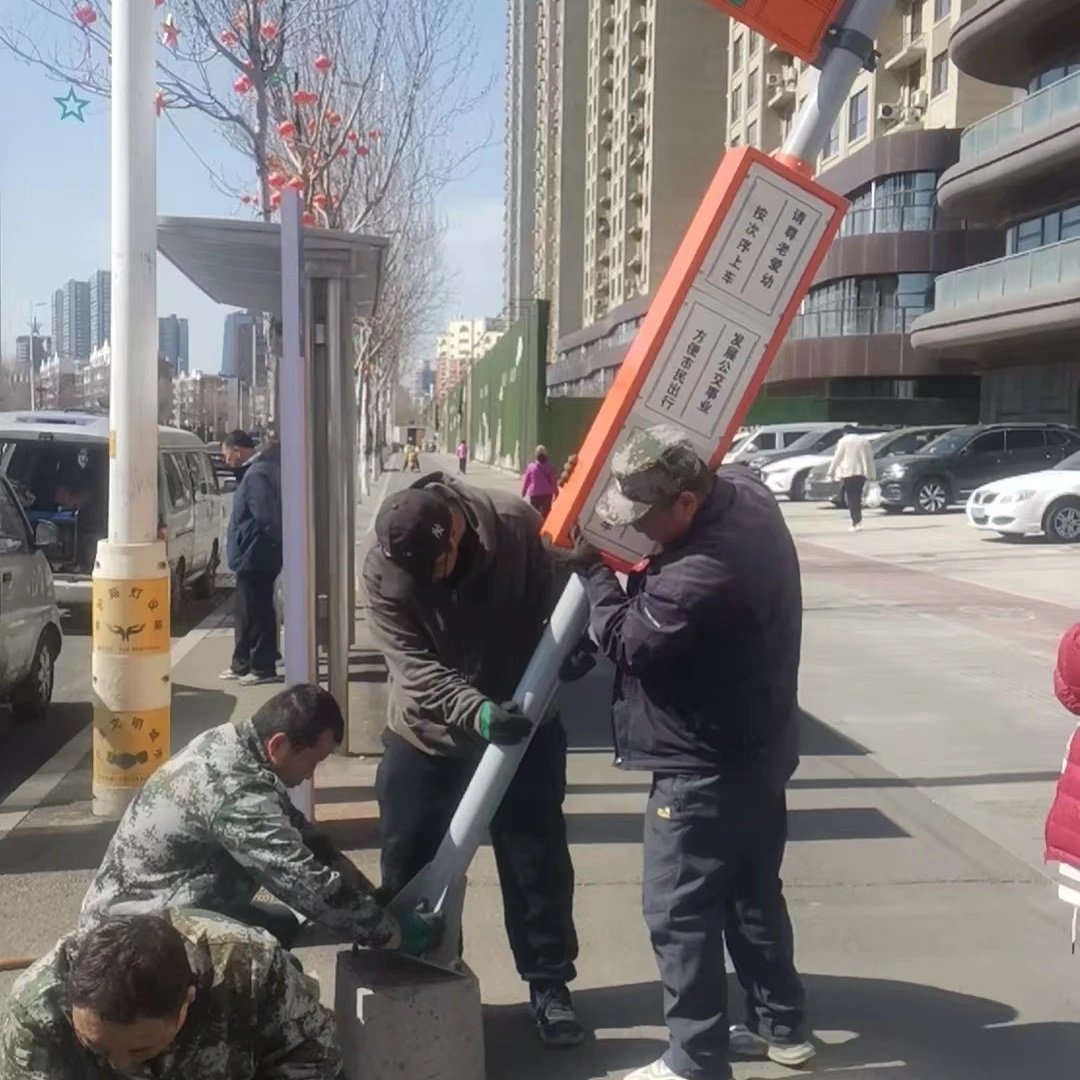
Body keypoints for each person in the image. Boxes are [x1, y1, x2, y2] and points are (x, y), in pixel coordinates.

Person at [561, 425, 811, 1080]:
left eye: (645, 516)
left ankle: (694, 1060)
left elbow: (628, 643)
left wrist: (593, 569)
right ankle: (781, 1026)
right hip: (762, 746)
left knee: (679, 911)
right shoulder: (750, 496)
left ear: (688, 503)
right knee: (751, 895)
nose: (636, 529)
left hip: (703, 766)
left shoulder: (699, 574)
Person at [361, 475, 587, 1048]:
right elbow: (412, 666)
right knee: (411, 863)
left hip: (524, 728)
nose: (426, 584)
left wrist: (579, 641)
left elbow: (563, 592)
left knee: (536, 862)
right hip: (428, 734)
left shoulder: (515, 527)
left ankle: (549, 984)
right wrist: (476, 712)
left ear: (455, 532)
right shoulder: (384, 567)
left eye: (434, 568)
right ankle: (430, 978)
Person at [80, 684, 438, 956]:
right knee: (272, 976)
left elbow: (308, 842)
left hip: (164, 909)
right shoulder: (232, 789)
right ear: (278, 746)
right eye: (313, 760)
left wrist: (370, 897)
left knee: (281, 927)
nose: (311, 774)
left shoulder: (234, 747)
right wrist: (390, 932)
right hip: (130, 939)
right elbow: (300, 878)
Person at [0, 909, 345, 1078]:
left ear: (187, 1001)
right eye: (95, 1046)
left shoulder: (252, 968)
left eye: (140, 1048)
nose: (120, 1064)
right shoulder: (35, 1010)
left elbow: (315, 1059)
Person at [223, 438, 282, 685]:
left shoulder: (257, 474)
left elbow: (266, 516)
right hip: (251, 554)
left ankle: (262, 667)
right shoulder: (257, 471)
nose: (225, 460)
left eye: (226, 454)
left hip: (256, 554)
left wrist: (277, 543)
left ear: (237, 452)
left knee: (258, 612)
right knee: (246, 611)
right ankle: (243, 663)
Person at [826, 425, 876, 531]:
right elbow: (869, 459)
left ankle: (855, 522)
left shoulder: (843, 441)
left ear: (845, 432)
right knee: (857, 496)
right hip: (861, 472)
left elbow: (837, 457)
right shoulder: (864, 441)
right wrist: (872, 475)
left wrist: (831, 471)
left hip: (847, 472)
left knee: (851, 497)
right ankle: (858, 520)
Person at [521, 444, 559, 518]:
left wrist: (523, 493)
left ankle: (536, 524)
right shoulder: (549, 468)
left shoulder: (531, 467)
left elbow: (526, 482)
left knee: (534, 515)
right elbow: (553, 482)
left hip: (535, 495)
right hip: (547, 494)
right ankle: (545, 524)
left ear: (536, 456)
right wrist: (556, 492)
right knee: (546, 515)